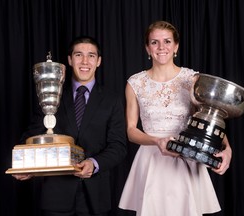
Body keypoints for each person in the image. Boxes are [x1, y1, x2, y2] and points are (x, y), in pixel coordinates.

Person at [118, 21, 232, 216]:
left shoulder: (192, 79)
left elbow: (209, 119)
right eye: (154, 42)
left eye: (167, 41)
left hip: (187, 158)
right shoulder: (135, 83)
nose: (161, 47)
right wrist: (156, 140)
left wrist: (227, 148)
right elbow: (131, 131)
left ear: (176, 46)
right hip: (152, 159)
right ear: (147, 48)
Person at [13, 36, 127, 216]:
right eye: (78, 55)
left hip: (96, 199)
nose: (84, 61)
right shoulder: (51, 94)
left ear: (98, 61)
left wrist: (94, 163)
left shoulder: (112, 100)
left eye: (91, 56)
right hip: (56, 197)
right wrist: (25, 166)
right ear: (69, 60)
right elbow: (32, 135)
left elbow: (118, 146)